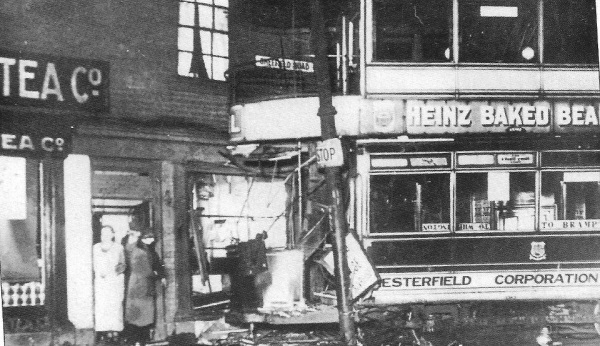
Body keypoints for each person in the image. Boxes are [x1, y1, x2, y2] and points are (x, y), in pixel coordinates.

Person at [122, 226, 165, 346]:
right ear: (143, 238)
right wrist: (156, 274)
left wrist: (159, 273)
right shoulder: (139, 250)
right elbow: (145, 270)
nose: (151, 240)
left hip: (144, 285)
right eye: (149, 237)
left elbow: (157, 265)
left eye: (152, 237)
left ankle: (140, 340)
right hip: (138, 285)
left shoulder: (149, 250)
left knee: (143, 315)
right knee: (138, 314)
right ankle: (134, 340)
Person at [93, 225, 126, 343]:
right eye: (103, 234)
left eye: (108, 233)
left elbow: (123, 265)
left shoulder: (119, 248)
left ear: (112, 235)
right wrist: (100, 272)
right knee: (102, 306)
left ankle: (115, 331)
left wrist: (113, 272)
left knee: (115, 306)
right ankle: (104, 331)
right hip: (101, 282)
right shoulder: (95, 248)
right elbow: (93, 264)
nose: (105, 236)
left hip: (114, 282)